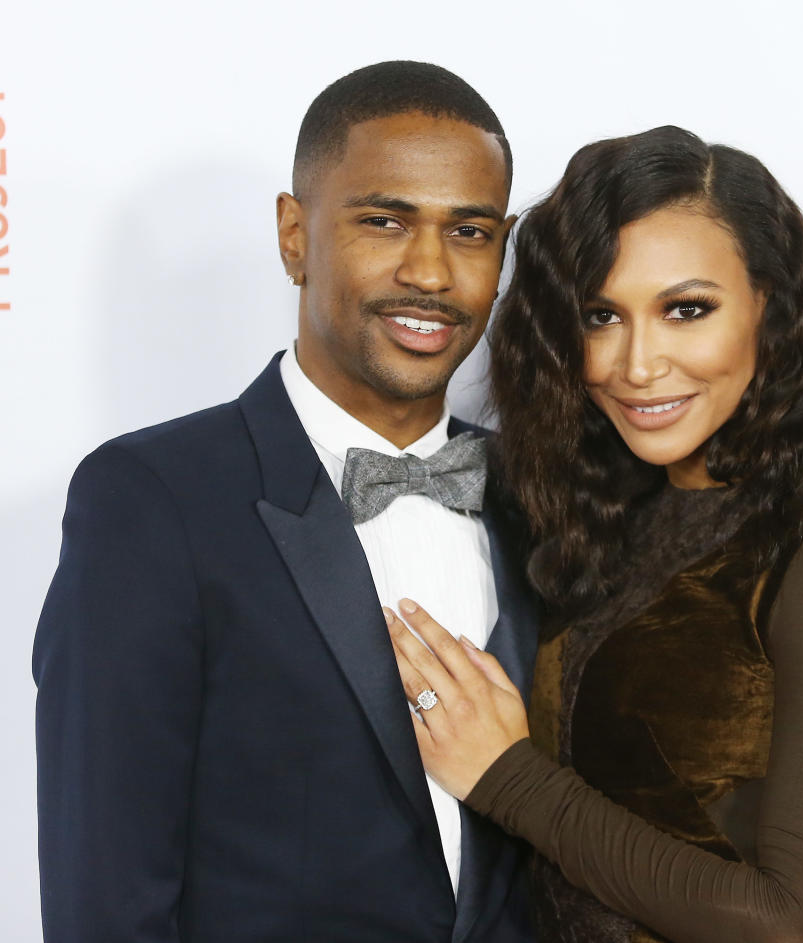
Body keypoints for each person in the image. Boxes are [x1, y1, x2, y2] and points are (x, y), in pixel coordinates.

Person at [385, 125, 803, 943]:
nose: (637, 364)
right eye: (601, 315)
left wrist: (511, 777)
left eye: (686, 310)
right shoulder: (595, 515)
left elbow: (791, 923)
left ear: (770, 308)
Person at [33, 61, 539, 943]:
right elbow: (105, 901)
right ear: (294, 235)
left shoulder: (545, 499)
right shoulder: (154, 500)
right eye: (385, 220)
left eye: (470, 230)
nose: (430, 270)